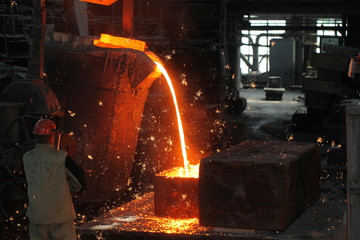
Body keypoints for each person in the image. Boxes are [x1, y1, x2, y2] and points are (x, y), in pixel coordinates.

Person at [23, 118, 84, 240]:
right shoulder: (62, 157)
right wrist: (71, 189)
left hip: (37, 217)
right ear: (52, 136)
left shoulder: (27, 157)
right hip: (60, 217)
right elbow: (79, 180)